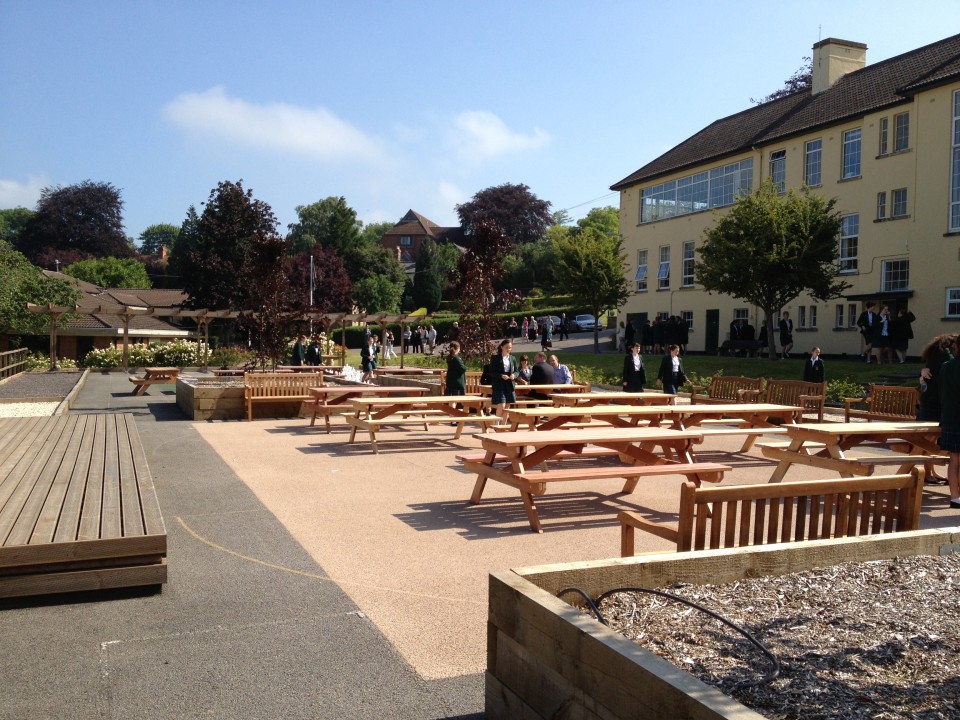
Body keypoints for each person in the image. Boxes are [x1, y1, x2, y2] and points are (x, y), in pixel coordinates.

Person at [919, 334, 957, 483]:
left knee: (932, 440)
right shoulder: (944, 355)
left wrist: (921, 372)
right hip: (935, 402)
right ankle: (928, 472)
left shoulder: (933, 355)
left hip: (930, 400)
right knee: (930, 439)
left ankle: (931, 471)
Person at [936, 336, 960, 508]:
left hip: (950, 417)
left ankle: (954, 497)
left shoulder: (946, 367)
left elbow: (941, 391)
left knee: (954, 460)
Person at [489, 338, 519, 422]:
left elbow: (517, 371)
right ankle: (496, 423)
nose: (508, 349)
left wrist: (514, 375)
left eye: (510, 347)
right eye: (506, 347)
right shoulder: (496, 358)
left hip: (509, 383)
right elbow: (491, 372)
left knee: (507, 406)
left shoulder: (512, 358)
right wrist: (501, 375)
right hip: (499, 384)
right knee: (501, 404)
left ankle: (504, 425)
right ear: (502, 347)